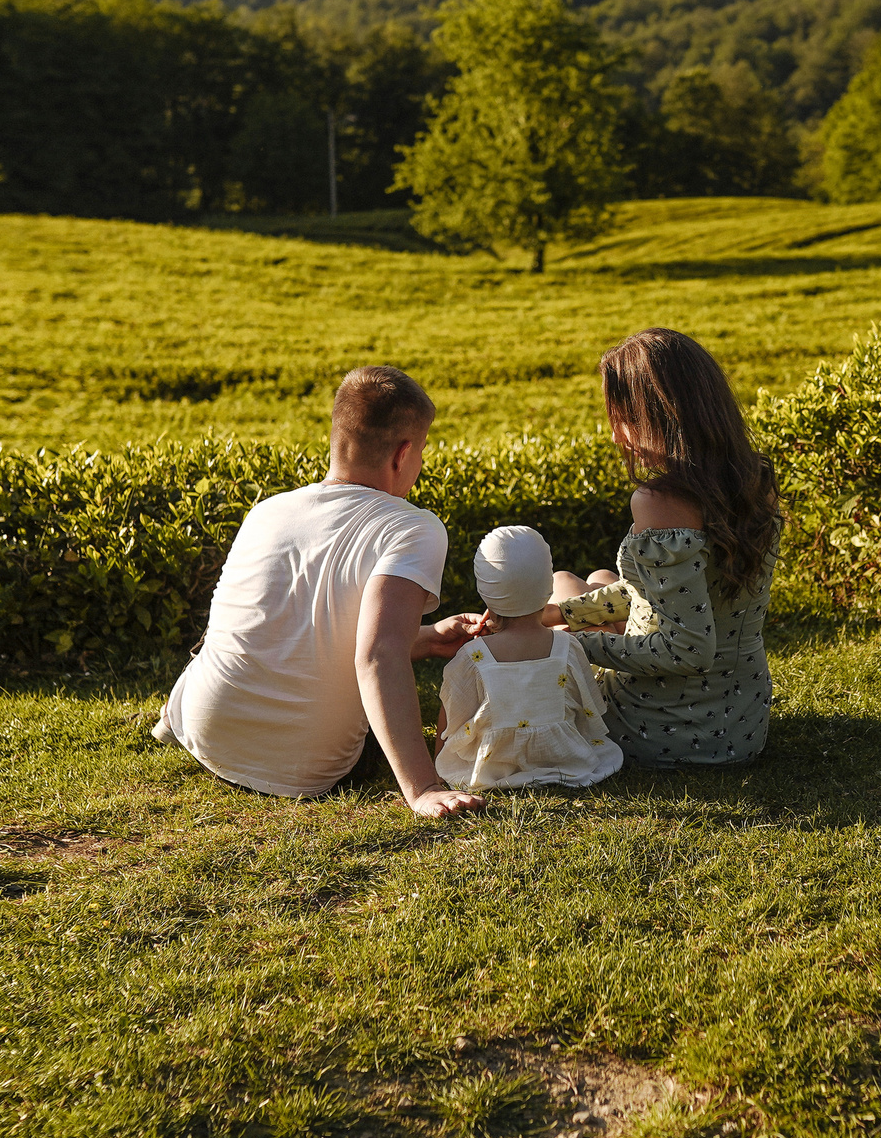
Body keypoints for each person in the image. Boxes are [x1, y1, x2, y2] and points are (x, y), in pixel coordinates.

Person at [152, 366, 487, 817]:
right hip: (304, 771)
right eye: (422, 451)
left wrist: (425, 638)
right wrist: (423, 788)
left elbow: (304, 627)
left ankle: (171, 719)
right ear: (403, 454)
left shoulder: (269, 511)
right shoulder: (412, 527)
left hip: (205, 731)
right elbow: (379, 656)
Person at [538, 328, 781, 767]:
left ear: (659, 416)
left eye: (623, 419)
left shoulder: (660, 502)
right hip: (740, 720)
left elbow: (687, 649)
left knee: (562, 582)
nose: (618, 437)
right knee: (590, 584)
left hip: (671, 731)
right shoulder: (753, 476)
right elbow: (661, 596)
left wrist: (569, 643)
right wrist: (557, 617)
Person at [434, 526, 621, 791]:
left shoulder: (473, 656)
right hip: (565, 758)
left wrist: (439, 766)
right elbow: (589, 709)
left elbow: (451, 714)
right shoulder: (567, 646)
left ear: (485, 593)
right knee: (604, 577)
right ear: (548, 588)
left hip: (490, 767)